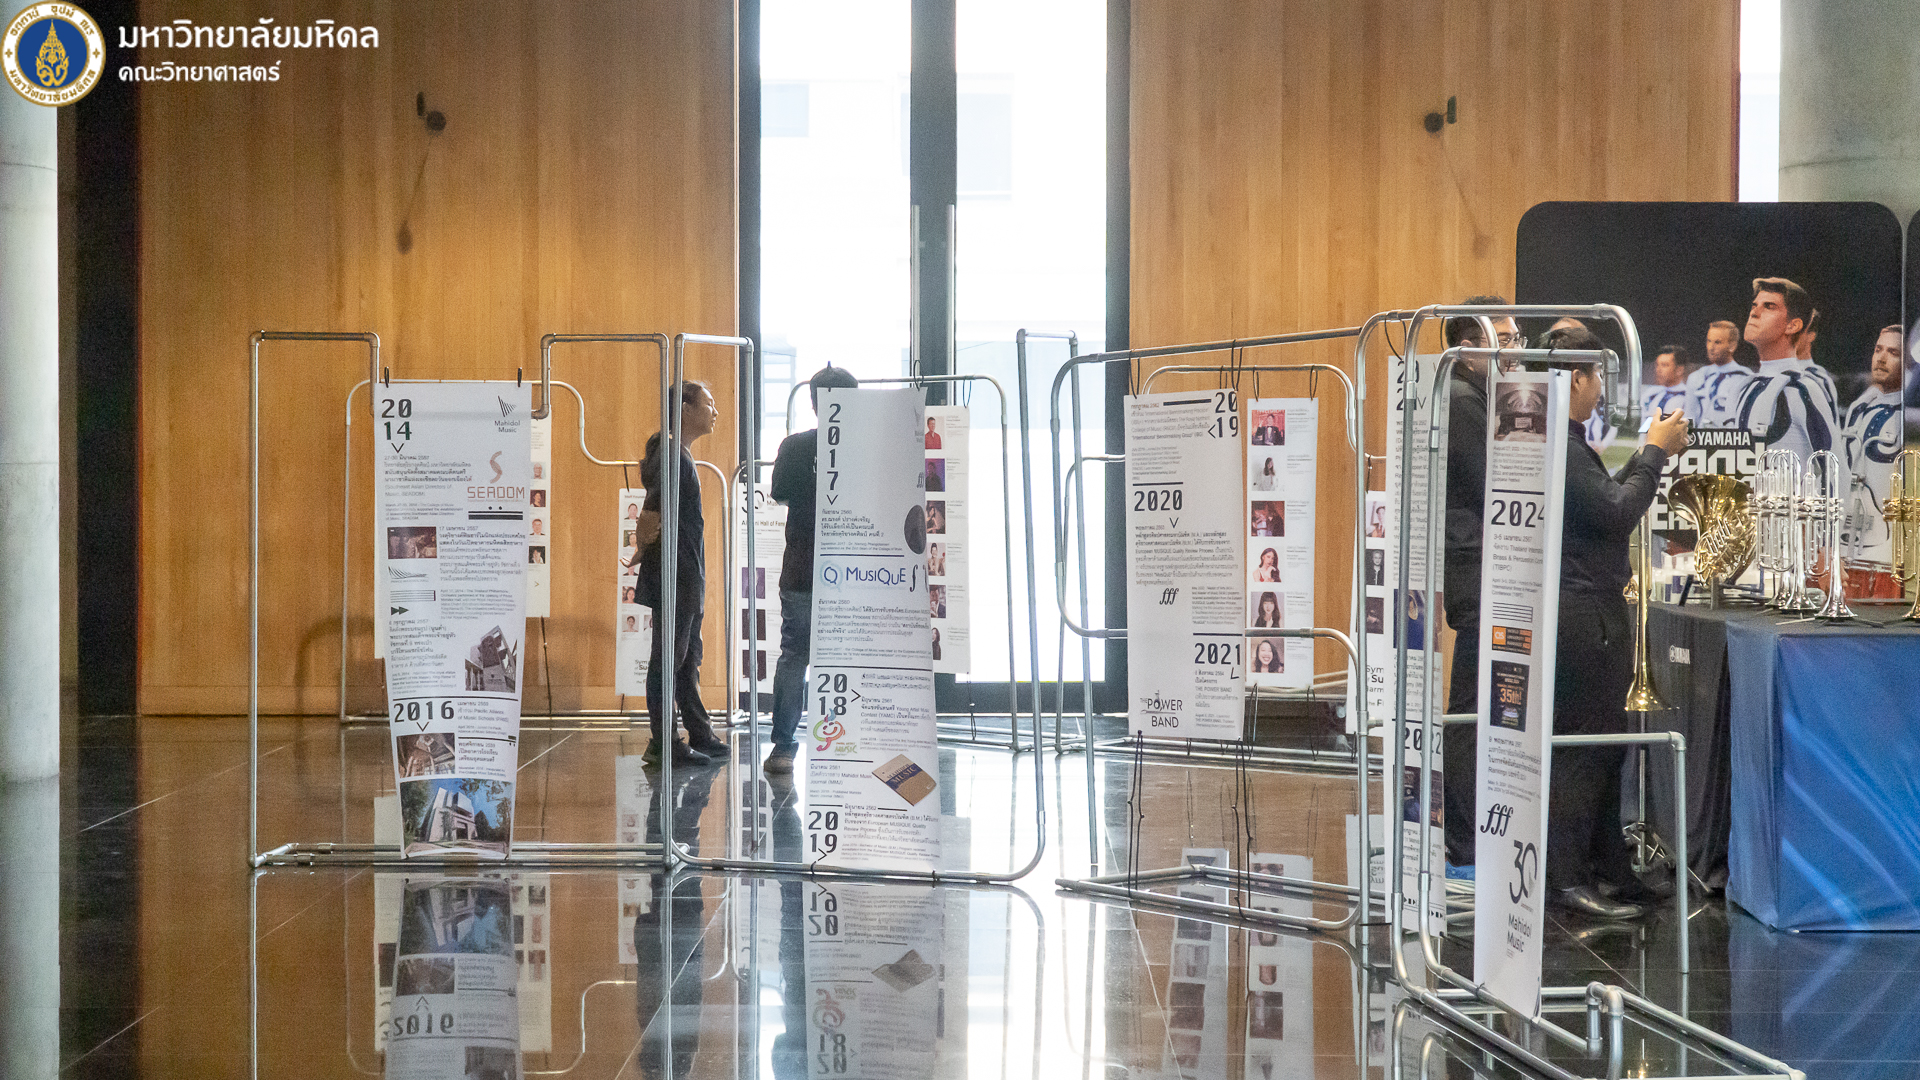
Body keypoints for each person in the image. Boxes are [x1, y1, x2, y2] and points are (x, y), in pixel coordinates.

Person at [1532, 325, 1689, 918]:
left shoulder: (1559, 439)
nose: (1600, 388)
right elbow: (1616, 513)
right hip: (1582, 614)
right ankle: (1569, 879)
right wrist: (1653, 453)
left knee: (1604, 745)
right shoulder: (1561, 444)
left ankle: (1606, 868)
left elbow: (1600, 501)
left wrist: (1644, 459)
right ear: (1576, 379)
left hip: (1580, 608)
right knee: (1587, 748)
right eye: (1596, 376)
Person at [1440, 294, 1520, 871]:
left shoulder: (1473, 394)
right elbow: (1496, 479)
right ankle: (1465, 838)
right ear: (1470, 348)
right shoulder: (1464, 400)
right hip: (1479, 571)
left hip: (1480, 567)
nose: (1516, 352)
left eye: (1516, 339)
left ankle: (1469, 834)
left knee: (1479, 704)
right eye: (1506, 340)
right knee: (1471, 708)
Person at [765, 366, 862, 775]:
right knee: (852, 657)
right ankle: (847, 743)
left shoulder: (795, 446)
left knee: (794, 656)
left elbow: (780, 493)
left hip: (802, 567)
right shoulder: (866, 447)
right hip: (858, 571)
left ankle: (783, 747)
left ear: (814, 402)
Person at [637, 380, 727, 768]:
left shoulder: (678, 453)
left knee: (687, 659)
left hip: (686, 573)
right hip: (676, 575)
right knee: (668, 661)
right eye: (709, 403)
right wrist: (643, 546)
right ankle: (663, 743)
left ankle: (699, 731)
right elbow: (651, 512)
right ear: (686, 409)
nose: (715, 411)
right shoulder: (672, 454)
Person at [1734, 277, 1841, 466]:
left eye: (1769, 307)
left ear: (1793, 325)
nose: (1754, 312)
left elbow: (1836, 468)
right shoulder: (1745, 387)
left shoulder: (1804, 389)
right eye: (1754, 305)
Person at [1841, 325, 1906, 589]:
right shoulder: (1859, 406)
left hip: (1889, 550)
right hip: (1849, 539)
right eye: (1878, 350)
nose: (1881, 358)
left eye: (1893, 352)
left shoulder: (1908, 416)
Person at [1685, 320, 1750, 427]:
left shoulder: (1745, 378)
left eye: (1717, 342)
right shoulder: (1696, 377)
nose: (1711, 348)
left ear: (1732, 346)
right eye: (1709, 341)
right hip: (1700, 436)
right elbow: (1689, 416)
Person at [1639, 346, 1690, 423]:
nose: (1658, 370)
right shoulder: (1650, 393)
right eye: (1657, 365)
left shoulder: (1687, 397)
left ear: (1679, 370)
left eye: (1664, 365)